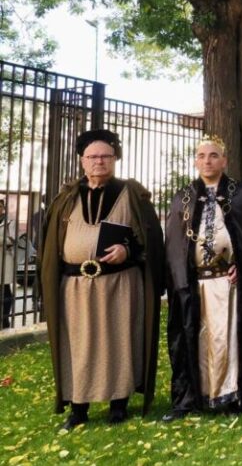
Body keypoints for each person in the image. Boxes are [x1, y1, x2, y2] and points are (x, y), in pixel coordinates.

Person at [38, 129, 164, 429]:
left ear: (115, 159)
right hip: (75, 286)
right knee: (78, 344)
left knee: (118, 341)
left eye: (105, 156)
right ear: (82, 161)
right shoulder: (66, 197)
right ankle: (78, 408)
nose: (99, 162)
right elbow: (50, 241)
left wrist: (127, 249)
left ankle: (118, 405)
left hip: (119, 283)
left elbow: (151, 238)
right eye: (92, 157)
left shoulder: (131, 194)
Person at [163, 135, 242, 421]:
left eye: (213, 155)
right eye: (201, 155)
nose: (207, 161)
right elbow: (174, 245)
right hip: (194, 284)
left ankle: (232, 394)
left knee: (226, 338)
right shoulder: (183, 197)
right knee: (195, 339)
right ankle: (192, 398)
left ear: (224, 160)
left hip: (229, 284)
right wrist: (180, 276)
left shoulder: (240, 194)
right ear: (196, 161)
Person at [0, 199, 15, 329]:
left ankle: (5, 318)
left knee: (5, 290)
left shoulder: (10, 222)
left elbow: (13, 239)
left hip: (5, 259)